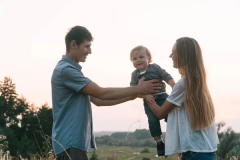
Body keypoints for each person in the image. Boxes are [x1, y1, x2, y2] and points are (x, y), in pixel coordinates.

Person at [51, 26, 161, 160]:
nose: (90, 51)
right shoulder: (66, 70)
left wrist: (133, 95)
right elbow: (101, 93)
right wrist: (138, 89)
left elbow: (98, 101)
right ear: (73, 44)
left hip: (73, 143)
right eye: (86, 46)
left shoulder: (71, 71)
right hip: (70, 143)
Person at [143, 37, 219, 160]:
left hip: (194, 153)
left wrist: (145, 95)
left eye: (173, 53)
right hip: (204, 150)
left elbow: (160, 113)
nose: (170, 56)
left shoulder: (183, 84)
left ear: (184, 56)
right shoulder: (197, 82)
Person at [129, 45, 175, 156]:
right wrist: (145, 96)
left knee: (172, 117)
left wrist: (174, 86)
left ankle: (174, 138)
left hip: (163, 97)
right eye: (134, 59)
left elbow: (165, 75)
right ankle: (159, 142)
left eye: (141, 57)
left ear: (149, 58)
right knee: (152, 121)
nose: (138, 60)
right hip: (149, 101)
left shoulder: (154, 68)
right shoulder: (134, 75)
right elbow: (133, 91)